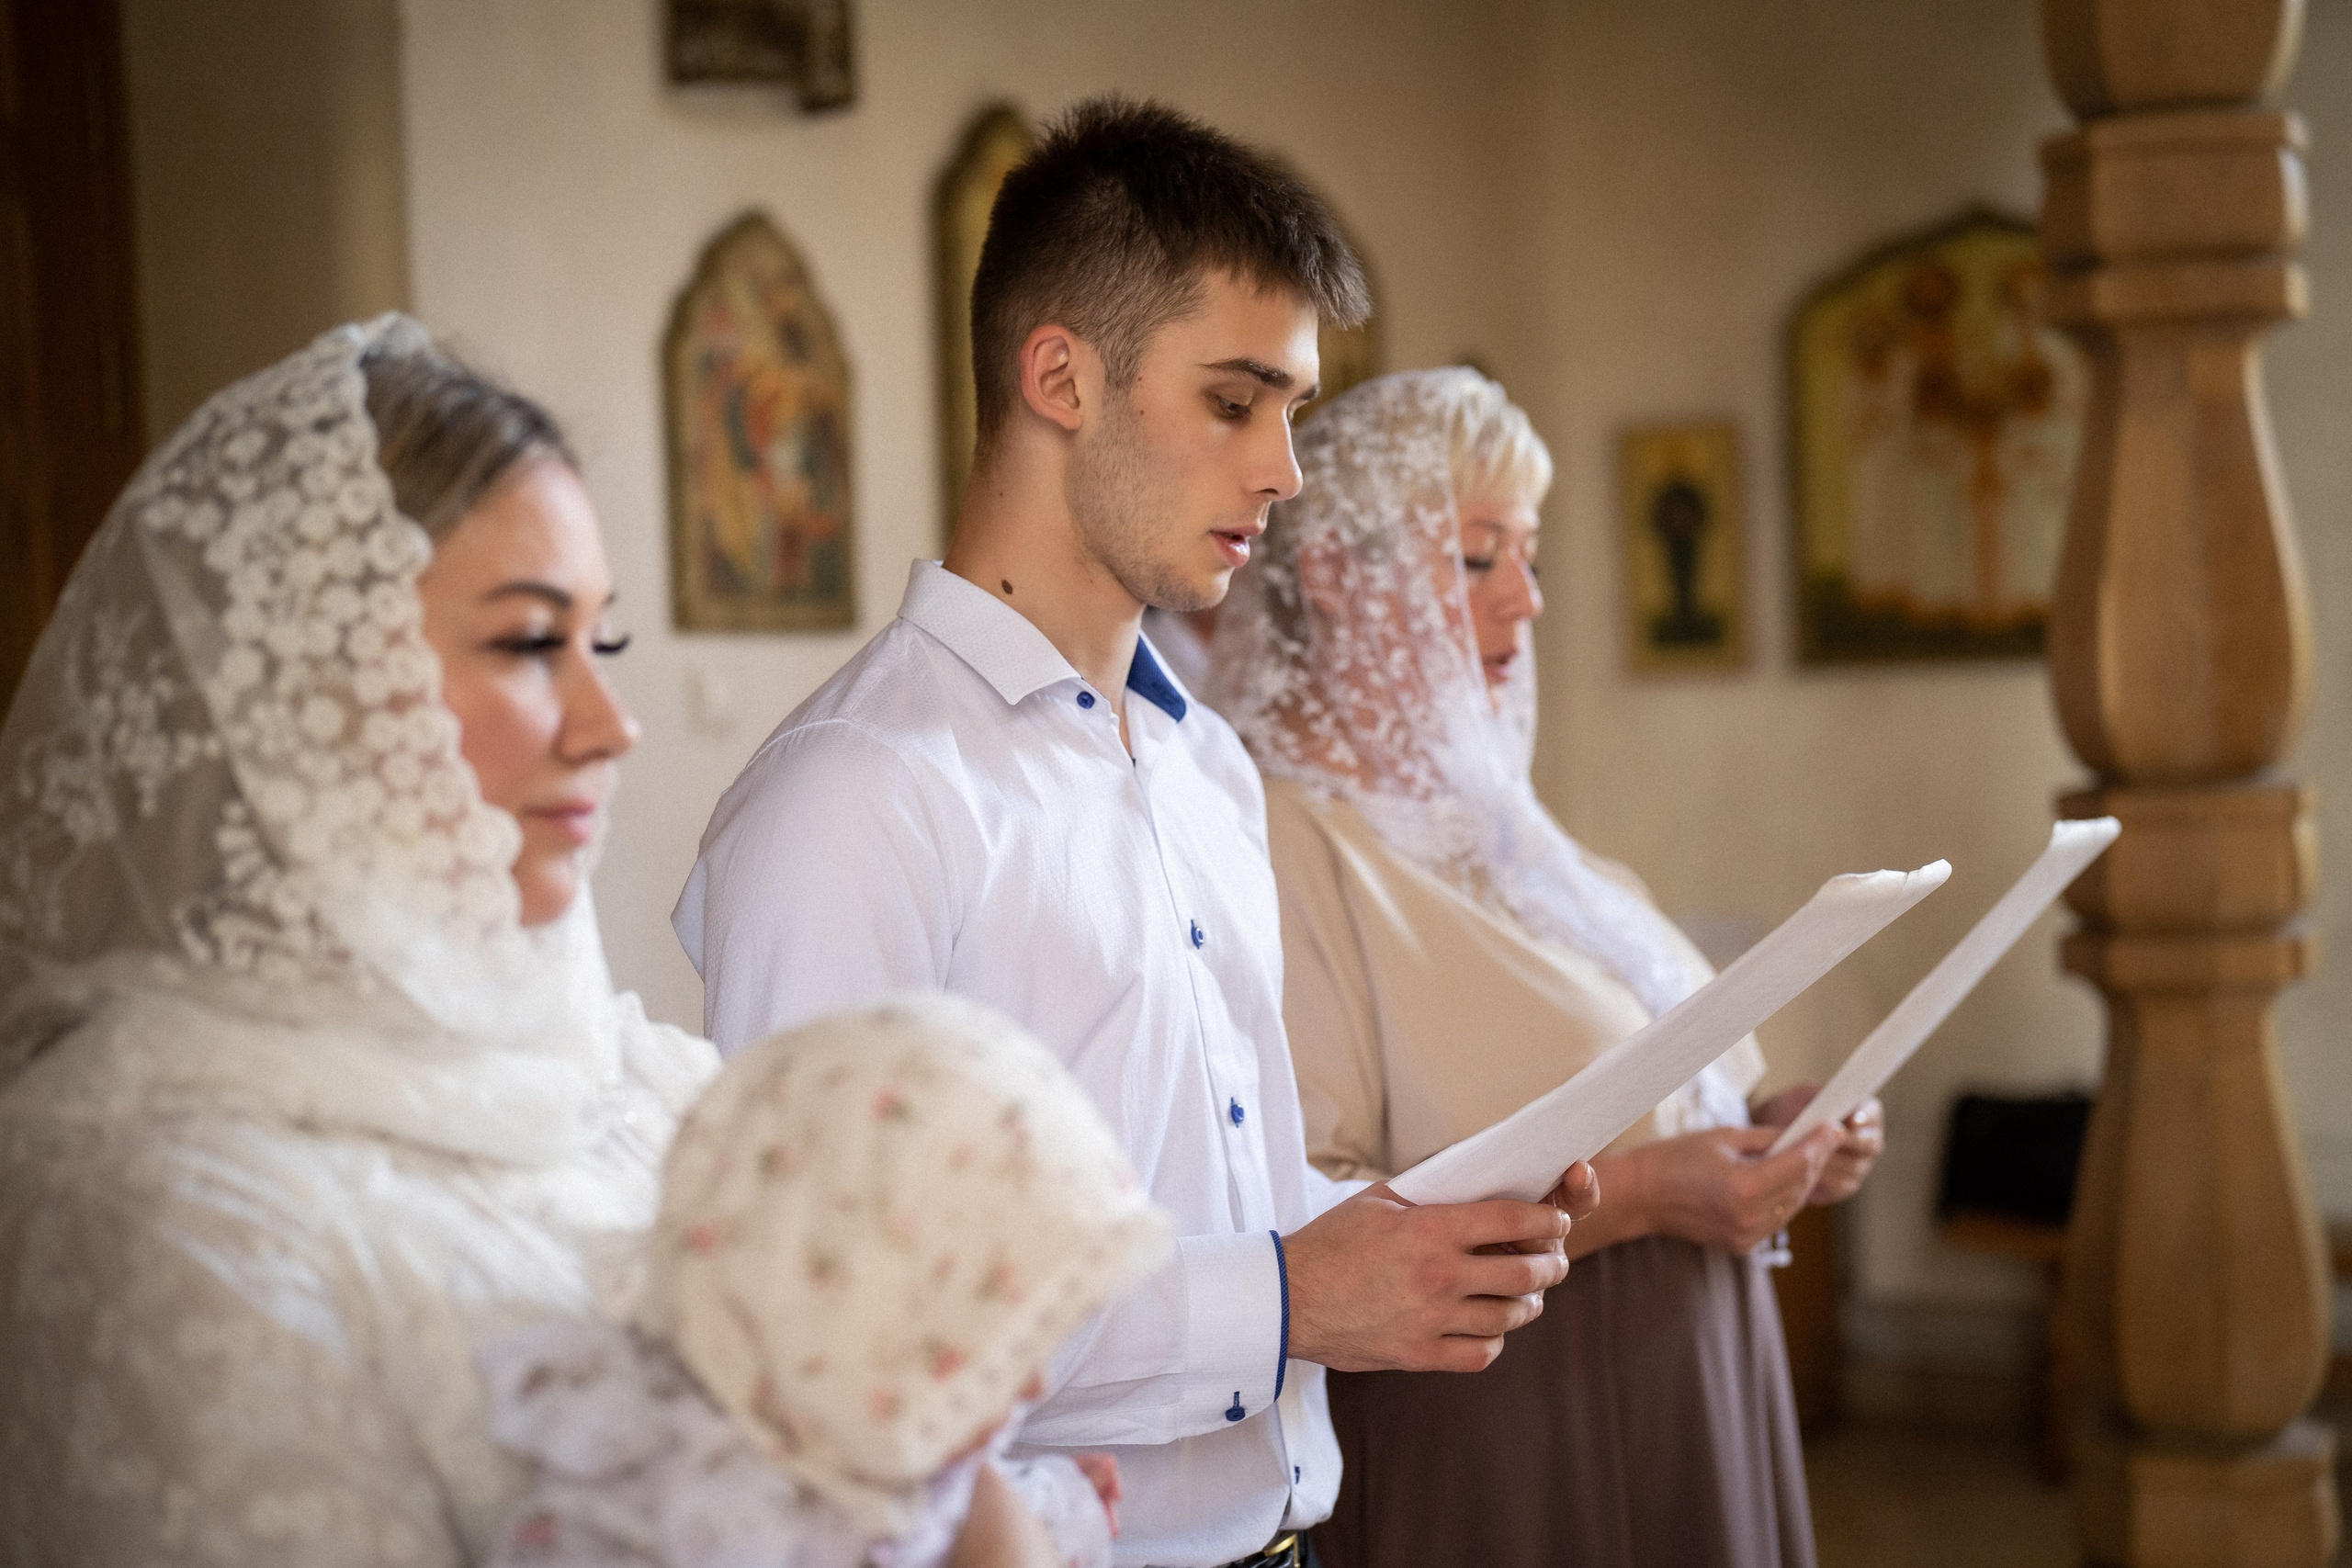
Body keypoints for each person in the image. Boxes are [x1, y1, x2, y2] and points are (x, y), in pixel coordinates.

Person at [674, 99, 1593, 1568]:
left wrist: (1417, 1231)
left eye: (1294, 408)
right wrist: (1291, 1298)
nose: (1284, 468)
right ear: (1060, 378)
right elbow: (827, 1341)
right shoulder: (856, 796)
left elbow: (1226, 1181)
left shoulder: (1205, 765)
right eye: (1237, 402)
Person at [0, 319, 1055, 1568]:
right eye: (524, 641)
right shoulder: (158, 1207)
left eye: (597, 641)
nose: (613, 723)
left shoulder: (655, 1090)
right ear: (301, 700)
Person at [1207, 368, 1886, 1568]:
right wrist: (1657, 1192)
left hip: (1682, 1373)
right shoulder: (1276, 835)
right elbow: (1319, 1205)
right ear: (1334, 577)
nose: (1526, 598)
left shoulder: (1493, 825)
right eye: (1479, 558)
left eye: (1529, 553)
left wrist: (1775, 1126)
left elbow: (1650, 1071)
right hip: (1515, 1430)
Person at [482, 994, 1171, 1568]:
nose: (1035, 1386)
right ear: (847, 1314)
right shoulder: (694, 1517)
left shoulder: (865, 1436)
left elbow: (931, 1513)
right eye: (1001, 1349)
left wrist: (1061, 1505)